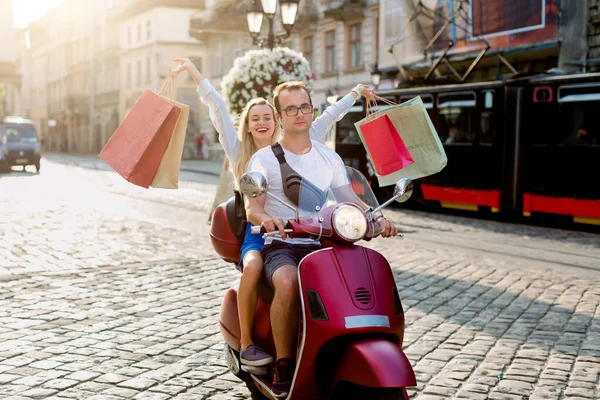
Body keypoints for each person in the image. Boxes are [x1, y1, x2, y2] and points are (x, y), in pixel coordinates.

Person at [168, 58, 375, 371]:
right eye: (255, 119)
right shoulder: (240, 151)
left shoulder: (293, 145)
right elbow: (217, 108)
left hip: (302, 228)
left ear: (276, 121)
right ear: (248, 125)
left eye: (267, 117)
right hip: (258, 228)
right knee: (253, 268)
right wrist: (195, 72)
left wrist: (355, 94)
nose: (262, 123)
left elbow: (327, 118)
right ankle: (249, 343)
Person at [245, 81, 398, 397]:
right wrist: (267, 219)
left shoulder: (329, 158)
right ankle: (285, 365)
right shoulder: (262, 159)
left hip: (322, 243)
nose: (299, 114)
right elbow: (252, 207)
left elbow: (350, 199)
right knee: (287, 280)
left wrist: (376, 217)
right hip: (282, 243)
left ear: (311, 110)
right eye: (290, 109)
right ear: (279, 115)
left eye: (304, 107)